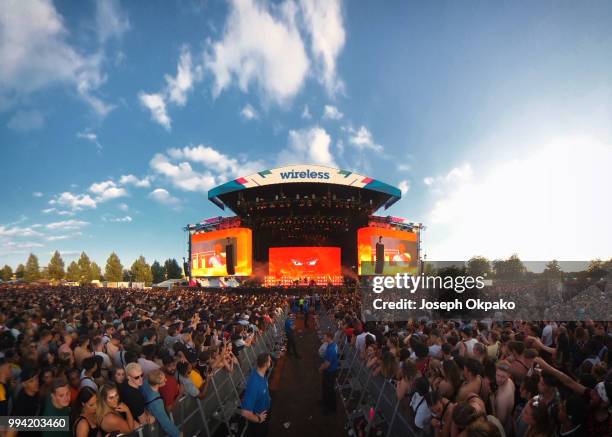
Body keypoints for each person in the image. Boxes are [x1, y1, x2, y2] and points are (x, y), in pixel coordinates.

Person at [141, 369, 181, 437]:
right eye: (163, 380)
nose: (166, 380)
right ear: (157, 384)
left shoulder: (144, 382)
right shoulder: (157, 403)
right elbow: (166, 423)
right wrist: (178, 434)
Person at [241, 353, 272, 437]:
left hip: (265, 411)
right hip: (260, 417)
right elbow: (245, 412)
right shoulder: (254, 384)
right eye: (269, 360)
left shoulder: (258, 371)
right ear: (266, 364)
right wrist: (258, 419)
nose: (271, 361)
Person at [8, 367, 40, 437]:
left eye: (36, 378)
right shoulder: (22, 404)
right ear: (24, 384)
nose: (36, 383)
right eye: (31, 381)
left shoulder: (35, 393)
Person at [319, 332, 339, 414]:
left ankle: (331, 408)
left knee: (329, 390)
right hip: (331, 371)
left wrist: (320, 368)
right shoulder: (333, 345)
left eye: (325, 337)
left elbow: (327, 364)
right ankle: (325, 401)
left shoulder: (331, 349)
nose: (323, 338)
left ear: (329, 338)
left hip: (330, 372)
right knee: (325, 387)